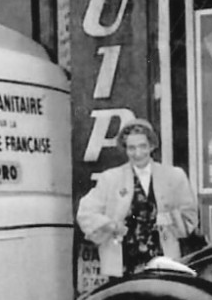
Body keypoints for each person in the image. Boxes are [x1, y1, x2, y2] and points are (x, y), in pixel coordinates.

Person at [76, 118, 199, 279]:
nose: (138, 153)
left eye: (143, 147)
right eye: (131, 148)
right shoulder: (110, 178)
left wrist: (170, 218)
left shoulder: (174, 176)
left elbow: (190, 217)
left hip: (165, 260)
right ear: (125, 149)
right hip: (122, 263)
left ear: (152, 146)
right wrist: (111, 225)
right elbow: (85, 214)